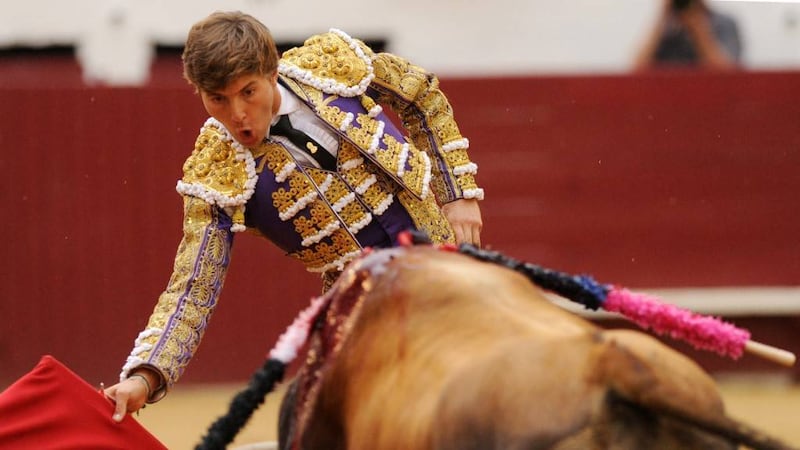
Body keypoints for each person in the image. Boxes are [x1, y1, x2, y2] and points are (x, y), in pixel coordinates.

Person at [103, 11, 483, 422]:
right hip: (360, 308)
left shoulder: (331, 64)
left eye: (248, 92)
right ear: (199, 94)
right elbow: (194, 286)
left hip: (446, 257)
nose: (238, 115)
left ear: (271, 71)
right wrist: (145, 374)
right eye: (218, 99)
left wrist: (458, 193)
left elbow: (421, 95)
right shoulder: (215, 173)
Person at [633, 0, 743, 70]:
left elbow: (729, 72)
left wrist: (698, 28)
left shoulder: (723, 23)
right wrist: (662, 17)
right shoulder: (665, 30)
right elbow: (637, 69)